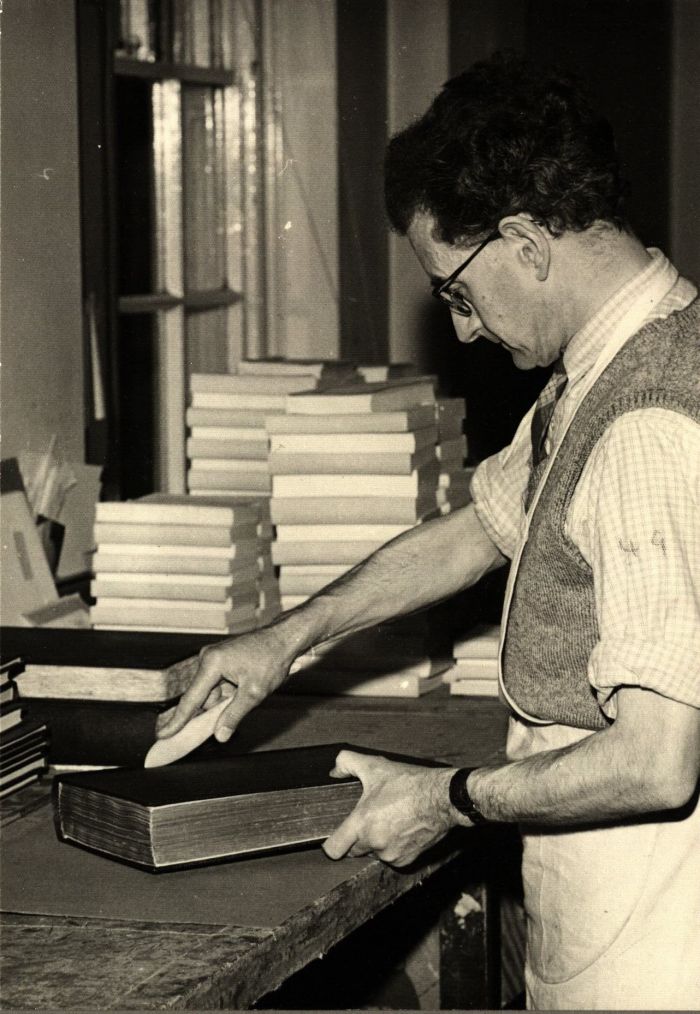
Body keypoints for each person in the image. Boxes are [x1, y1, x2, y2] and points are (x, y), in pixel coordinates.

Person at [157, 54, 700, 1010]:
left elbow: (656, 761)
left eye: (456, 290)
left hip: (654, 916)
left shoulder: (648, 419)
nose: (461, 329)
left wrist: (441, 799)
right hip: (603, 880)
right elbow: (479, 531)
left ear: (526, 242)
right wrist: (286, 638)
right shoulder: (624, 353)